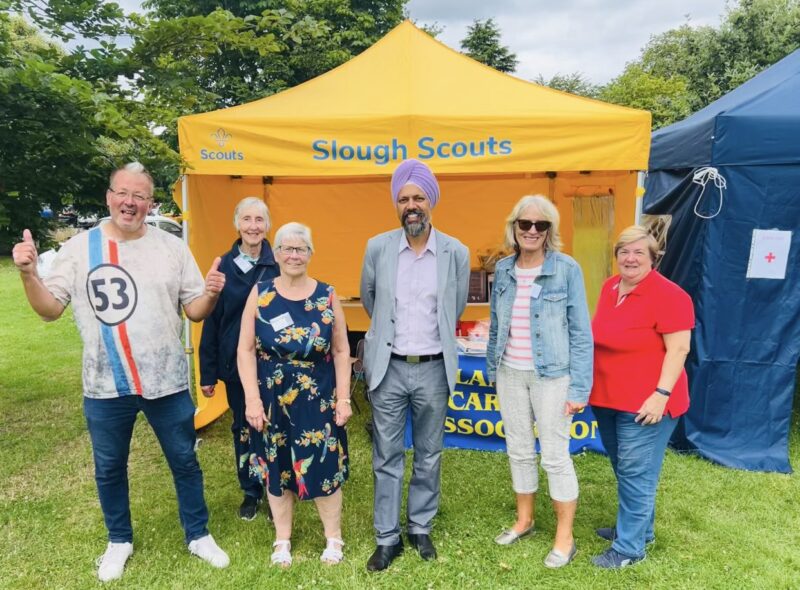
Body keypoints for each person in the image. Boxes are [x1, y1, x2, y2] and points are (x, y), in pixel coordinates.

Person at [11, 162, 230, 583]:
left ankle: (198, 534)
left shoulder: (171, 247)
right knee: (110, 466)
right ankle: (119, 540)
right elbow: (49, 310)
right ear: (108, 196)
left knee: (185, 460)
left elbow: (194, 310)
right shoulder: (80, 248)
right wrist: (27, 275)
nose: (130, 202)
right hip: (104, 384)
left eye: (140, 196)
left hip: (166, 381)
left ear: (152, 203)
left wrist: (212, 295)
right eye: (122, 193)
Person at [360, 158, 469, 572]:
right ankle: (387, 537)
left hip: (434, 368)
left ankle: (420, 526)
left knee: (428, 453)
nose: (411, 205)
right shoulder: (377, 247)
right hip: (388, 368)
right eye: (404, 198)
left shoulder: (455, 251)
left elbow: (453, 309)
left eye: (418, 197)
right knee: (386, 455)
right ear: (396, 204)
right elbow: (371, 300)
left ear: (431, 201)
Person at [486, 195, 593, 568]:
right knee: (517, 447)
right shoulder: (502, 270)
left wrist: (580, 388)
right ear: (513, 227)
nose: (532, 231)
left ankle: (565, 537)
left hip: (553, 377)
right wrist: (491, 368)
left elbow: (581, 332)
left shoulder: (567, 269)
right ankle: (525, 519)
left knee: (554, 455)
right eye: (525, 224)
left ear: (550, 231)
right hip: (509, 372)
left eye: (540, 225)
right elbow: (497, 326)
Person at [237, 222, 352, 567]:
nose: (293, 255)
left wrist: (344, 398)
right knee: (277, 468)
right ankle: (282, 539)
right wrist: (252, 400)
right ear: (276, 254)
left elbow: (343, 350)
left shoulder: (327, 295)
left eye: (300, 248)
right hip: (271, 399)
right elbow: (244, 350)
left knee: (324, 466)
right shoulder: (261, 293)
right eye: (286, 248)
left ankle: (333, 538)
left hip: (317, 397)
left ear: (310, 254)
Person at [589, 225, 694, 569]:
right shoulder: (609, 288)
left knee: (636, 472)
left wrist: (660, 395)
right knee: (628, 468)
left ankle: (629, 548)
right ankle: (639, 529)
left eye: (638, 252)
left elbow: (679, 349)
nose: (630, 258)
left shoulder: (671, 295)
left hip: (647, 403)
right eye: (624, 251)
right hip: (608, 397)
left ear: (653, 258)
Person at [199, 197, 279, 521]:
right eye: (246, 219)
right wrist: (207, 373)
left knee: (274, 427)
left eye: (259, 220)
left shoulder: (279, 264)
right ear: (237, 224)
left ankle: (277, 489)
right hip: (235, 367)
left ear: (267, 225)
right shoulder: (224, 267)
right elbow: (211, 321)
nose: (253, 226)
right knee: (245, 427)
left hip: (272, 364)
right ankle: (251, 491)